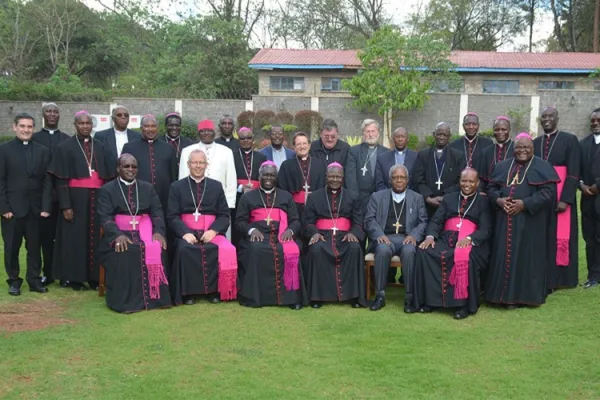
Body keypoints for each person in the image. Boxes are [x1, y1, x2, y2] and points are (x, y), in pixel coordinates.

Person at [485, 133, 559, 308]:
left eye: (526, 147)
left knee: (526, 258)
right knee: (503, 256)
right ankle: (500, 297)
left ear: (533, 149)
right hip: (504, 221)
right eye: (518, 147)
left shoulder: (542, 166)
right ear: (513, 148)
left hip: (530, 223)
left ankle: (522, 297)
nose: (522, 150)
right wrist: (499, 200)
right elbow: (491, 187)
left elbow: (548, 192)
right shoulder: (503, 166)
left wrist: (525, 204)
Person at [48, 110, 114, 291]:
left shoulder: (100, 146)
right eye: (81, 123)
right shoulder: (65, 147)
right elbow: (60, 180)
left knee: (96, 238)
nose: (85, 126)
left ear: (92, 125)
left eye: (88, 123)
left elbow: (108, 178)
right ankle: (75, 278)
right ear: (75, 125)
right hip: (75, 200)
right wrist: (66, 205)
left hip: (97, 198)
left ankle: (94, 277)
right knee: (75, 239)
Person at [96, 154, 171, 313]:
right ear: (118, 169)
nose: (130, 169)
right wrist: (117, 235)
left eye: (134, 167)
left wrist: (158, 232)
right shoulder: (107, 190)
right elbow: (105, 217)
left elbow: (157, 213)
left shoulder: (147, 188)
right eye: (126, 166)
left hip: (144, 231)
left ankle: (156, 298)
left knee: (157, 247)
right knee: (126, 251)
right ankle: (126, 302)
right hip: (119, 233)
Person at [415, 168, 492, 319]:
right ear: (459, 181)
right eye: (464, 181)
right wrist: (430, 237)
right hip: (446, 238)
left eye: (471, 181)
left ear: (477, 183)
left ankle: (462, 306)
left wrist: (470, 239)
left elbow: (486, 229)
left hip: (471, 240)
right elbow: (436, 221)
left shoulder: (483, 202)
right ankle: (431, 301)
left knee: (465, 259)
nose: (467, 184)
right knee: (424, 252)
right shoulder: (449, 198)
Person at [168, 150, 237, 305]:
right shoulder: (177, 187)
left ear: (206, 165)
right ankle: (188, 293)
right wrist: (184, 233)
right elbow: (171, 216)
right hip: (187, 232)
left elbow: (224, 215)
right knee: (185, 250)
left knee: (224, 249)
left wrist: (213, 231)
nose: (198, 166)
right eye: (194, 162)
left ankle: (214, 291)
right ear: (188, 164)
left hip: (211, 231)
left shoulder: (216, 186)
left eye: (201, 163)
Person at [235, 161, 307, 309]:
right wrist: (251, 230)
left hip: (281, 236)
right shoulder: (248, 197)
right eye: (265, 174)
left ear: (276, 177)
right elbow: (239, 222)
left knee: (291, 250)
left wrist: (290, 231)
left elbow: (295, 220)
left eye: (272, 175)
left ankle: (291, 298)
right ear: (259, 176)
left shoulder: (285, 196)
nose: (268, 178)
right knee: (256, 250)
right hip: (258, 236)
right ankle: (255, 297)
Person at [0, 113, 52, 296]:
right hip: (12, 211)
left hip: (35, 210)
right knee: (12, 248)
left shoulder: (43, 150)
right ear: (15, 127)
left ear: (34, 128)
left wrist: (46, 207)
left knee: (34, 248)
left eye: (29, 127)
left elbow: (47, 181)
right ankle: (14, 280)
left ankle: (34, 280)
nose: (26, 130)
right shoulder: (4, 150)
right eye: (22, 126)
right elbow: (1, 181)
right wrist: (4, 208)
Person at [364, 165, 428, 312]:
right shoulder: (377, 196)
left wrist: (414, 235)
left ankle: (409, 297)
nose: (399, 181)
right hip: (385, 238)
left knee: (409, 251)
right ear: (390, 180)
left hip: (407, 239)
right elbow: (369, 219)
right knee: (382, 250)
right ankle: (380, 296)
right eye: (395, 177)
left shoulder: (417, 198)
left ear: (407, 180)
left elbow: (423, 221)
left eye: (402, 177)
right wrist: (379, 235)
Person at [303, 163, 366, 308]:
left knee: (354, 248)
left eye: (338, 176)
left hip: (345, 235)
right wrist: (314, 233)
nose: (335, 179)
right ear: (326, 177)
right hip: (322, 235)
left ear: (343, 177)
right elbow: (307, 221)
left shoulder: (353, 196)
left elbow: (359, 220)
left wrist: (353, 233)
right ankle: (317, 297)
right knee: (316, 249)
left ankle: (354, 297)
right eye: (331, 176)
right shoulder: (314, 197)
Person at [533, 107, 581, 291]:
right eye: (543, 117)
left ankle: (562, 278)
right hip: (541, 194)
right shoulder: (535, 142)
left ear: (557, 119)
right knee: (543, 235)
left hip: (561, 194)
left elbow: (574, 172)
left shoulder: (569, 140)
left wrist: (566, 199)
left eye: (550, 116)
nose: (546, 119)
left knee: (561, 236)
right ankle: (543, 274)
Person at [32, 103, 70, 286]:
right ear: (43, 115)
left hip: (64, 196)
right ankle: (47, 272)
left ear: (59, 115)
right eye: (48, 111)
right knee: (45, 237)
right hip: (42, 197)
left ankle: (64, 273)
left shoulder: (67, 139)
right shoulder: (35, 138)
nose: (52, 114)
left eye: (55, 112)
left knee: (64, 236)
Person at [122, 114, 178, 214]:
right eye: (146, 126)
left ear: (157, 128)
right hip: (138, 194)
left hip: (164, 195)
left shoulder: (168, 148)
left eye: (153, 126)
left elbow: (173, 175)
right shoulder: (129, 147)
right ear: (141, 128)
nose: (150, 129)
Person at [179, 119, 237, 211]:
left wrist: (229, 204)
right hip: (193, 201)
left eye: (209, 130)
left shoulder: (226, 152)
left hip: (219, 201)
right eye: (203, 131)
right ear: (198, 133)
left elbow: (231, 181)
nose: (206, 133)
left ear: (214, 133)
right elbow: (182, 178)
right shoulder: (187, 151)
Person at [413, 122, 465, 217]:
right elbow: (418, 179)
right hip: (426, 204)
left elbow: (460, 181)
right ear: (434, 134)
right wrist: (428, 198)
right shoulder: (423, 155)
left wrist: (445, 197)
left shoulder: (458, 156)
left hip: (449, 204)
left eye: (445, 135)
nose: (441, 137)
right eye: (439, 134)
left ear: (449, 136)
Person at [278, 132, 326, 219]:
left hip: (315, 207)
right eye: (298, 144)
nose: (302, 146)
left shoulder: (319, 164)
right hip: (294, 208)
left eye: (304, 143)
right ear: (294, 147)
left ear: (309, 145)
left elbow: (323, 186)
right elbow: (282, 189)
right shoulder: (286, 165)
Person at [345, 119, 389, 210]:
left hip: (380, 198)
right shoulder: (354, 151)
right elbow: (350, 177)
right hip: (359, 200)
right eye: (367, 131)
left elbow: (387, 177)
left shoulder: (386, 152)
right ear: (363, 134)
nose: (370, 134)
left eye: (373, 131)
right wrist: (354, 198)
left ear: (378, 133)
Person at [232, 127, 266, 244]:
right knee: (238, 227)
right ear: (239, 140)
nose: (246, 140)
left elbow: (266, 177)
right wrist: (241, 187)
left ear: (253, 139)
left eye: (248, 138)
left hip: (257, 197)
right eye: (242, 138)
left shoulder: (261, 157)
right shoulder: (232, 156)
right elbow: (228, 177)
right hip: (237, 197)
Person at [580, 108, 600, 289]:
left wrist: (597, 185)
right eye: (593, 121)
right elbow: (577, 170)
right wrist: (581, 185)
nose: (595, 123)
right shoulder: (583, 144)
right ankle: (592, 275)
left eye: (598, 120)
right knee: (589, 238)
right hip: (587, 201)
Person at [375, 127, 418, 191]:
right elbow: (379, 183)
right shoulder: (382, 158)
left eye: (403, 136)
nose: (400, 139)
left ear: (407, 139)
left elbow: (419, 182)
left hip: (410, 197)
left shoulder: (416, 157)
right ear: (393, 139)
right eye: (397, 137)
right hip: (388, 197)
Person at [479, 117, 513, 190]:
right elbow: (482, 179)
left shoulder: (516, 149)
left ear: (509, 130)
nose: (500, 132)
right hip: (489, 193)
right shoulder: (486, 152)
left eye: (503, 129)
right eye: (497, 130)